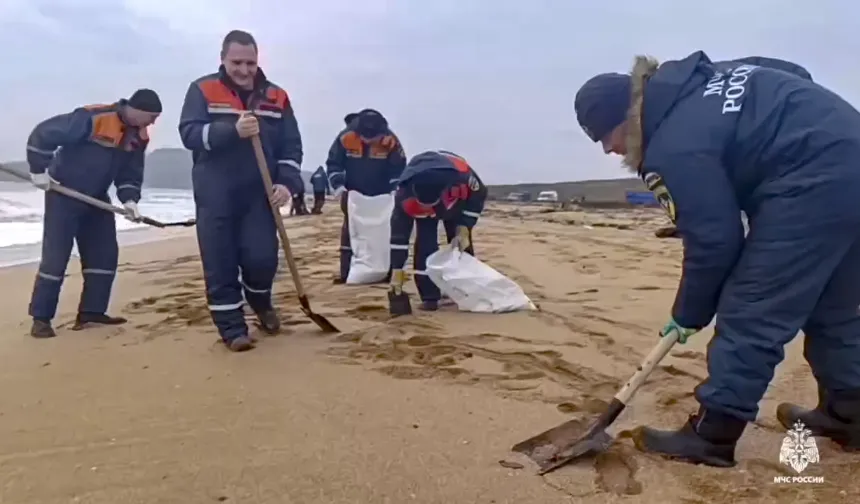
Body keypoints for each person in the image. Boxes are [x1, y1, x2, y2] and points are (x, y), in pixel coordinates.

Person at [574, 50, 860, 467]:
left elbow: (716, 242)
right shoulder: (703, 79)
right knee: (833, 307)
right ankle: (849, 413)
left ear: (627, 117)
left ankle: (712, 436)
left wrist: (688, 313)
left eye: (605, 137)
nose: (607, 150)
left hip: (810, 181)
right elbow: (793, 71)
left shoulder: (672, 145)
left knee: (752, 309)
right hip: (849, 153)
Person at [178, 29, 305, 352]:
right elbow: (190, 134)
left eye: (250, 62)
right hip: (215, 191)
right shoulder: (203, 90)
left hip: (260, 193)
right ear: (223, 59)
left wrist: (287, 183)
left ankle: (260, 302)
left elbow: (291, 146)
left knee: (261, 259)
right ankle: (232, 328)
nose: (244, 70)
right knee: (220, 262)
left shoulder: (276, 97)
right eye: (237, 62)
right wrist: (231, 130)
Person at [25, 90, 162, 338]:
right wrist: (38, 170)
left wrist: (130, 199)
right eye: (150, 117)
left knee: (104, 254)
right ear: (135, 109)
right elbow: (44, 133)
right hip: (64, 193)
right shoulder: (93, 118)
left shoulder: (138, 137)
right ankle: (41, 318)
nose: (152, 124)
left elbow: (130, 172)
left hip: (96, 198)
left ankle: (91, 313)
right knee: (56, 258)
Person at [388, 150, 487, 312]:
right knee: (425, 244)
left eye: (432, 206)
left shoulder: (464, 176)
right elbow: (400, 236)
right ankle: (429, 297)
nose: (432, 210)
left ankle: (466, 290)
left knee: (460, 245)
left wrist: (465, 226)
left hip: (454, 205)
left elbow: (478, 196)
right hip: (423, 212)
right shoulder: (403, 193)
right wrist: (397, 269)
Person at [326, 109, 406, 283]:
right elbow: (334, 164)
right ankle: (347, 273)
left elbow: (398, 168)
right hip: (353, 193)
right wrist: (339, 187)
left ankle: (388, 272)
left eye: (373, 138)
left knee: (385, 233)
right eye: (366, 138)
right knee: (351, 230)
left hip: (382, 195)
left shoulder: (390, 141)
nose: (369, 141)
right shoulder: (345, 138)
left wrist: (395, 190)